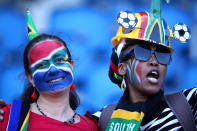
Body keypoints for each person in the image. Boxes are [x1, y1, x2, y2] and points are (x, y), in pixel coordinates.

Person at [93, 0, 196, 131]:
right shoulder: (101, 120)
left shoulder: (190, 103)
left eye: (162, 54)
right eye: (142, 52)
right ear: (122, 68)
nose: (155, 61)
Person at [0, 9, 99, 131]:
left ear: (71, 66)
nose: (53, 70)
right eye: (41, 65)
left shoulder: (91, 127)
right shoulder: (7, 117)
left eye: (59, 60)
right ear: (31, 78)